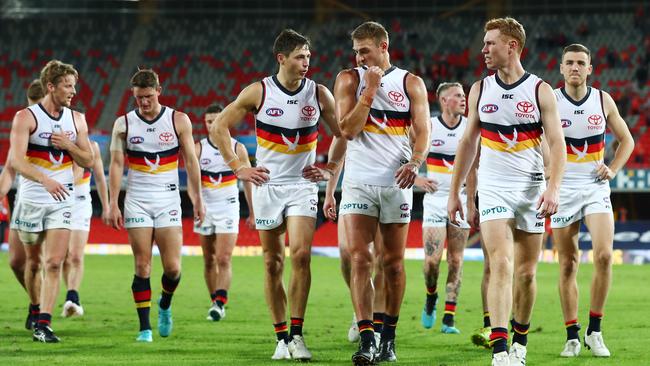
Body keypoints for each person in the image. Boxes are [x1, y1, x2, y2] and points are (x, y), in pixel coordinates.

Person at [210, 29, 346, 361]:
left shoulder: (319, 93)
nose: (306, 63)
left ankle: (298, 335)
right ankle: (280, 337)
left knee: (300, 256)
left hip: (302, 186)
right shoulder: (258, 92)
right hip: (267, 187)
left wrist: (330, 164)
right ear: (281, 58)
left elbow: (344, 133)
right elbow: (219, 128)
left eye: (309, 57)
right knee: (272, 263)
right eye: (300, 56)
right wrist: (237, 167)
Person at [448, 17, 566, 365]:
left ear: (511, 46)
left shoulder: (540, 90)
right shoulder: (480, 89)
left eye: (490, 43)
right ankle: (500, 351)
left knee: (527, 274)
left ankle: (520, 343)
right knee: (501, 263)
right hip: (494, 188)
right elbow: (468, 142)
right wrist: (457, 192)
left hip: (531, 190)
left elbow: (557, 145)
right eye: (484, 43)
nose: (483, 49)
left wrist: (553, 188)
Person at [334, 21, 430, 364]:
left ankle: (389, 336)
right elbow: (346, 129)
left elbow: (423, 132)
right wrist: (369, 90)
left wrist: (416, 162)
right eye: (356, 51)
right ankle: (367, 338)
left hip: (397, 183)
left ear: (383, 46)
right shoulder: (349, 79)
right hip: (359, 181)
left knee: (393, 263)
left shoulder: (411, 83)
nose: (359, 57)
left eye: (365, 50)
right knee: (360, 258)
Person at [108, 68, 205, 343]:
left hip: (168, 200)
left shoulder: (178, 120)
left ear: (159, 92)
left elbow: (191, 161)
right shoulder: (123, 124)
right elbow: (116, 165)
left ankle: (164, 304)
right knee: (143, 266)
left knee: (173, 268)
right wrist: (113, 203)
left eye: (149, 96)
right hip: (137, 200)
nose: (144, 102)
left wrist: (197, 199)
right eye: (139, 98)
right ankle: (144, 328)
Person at [552, 43, 634, 358]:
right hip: (562, 188)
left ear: (590, 69)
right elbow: (537, 140)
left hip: (594, 185)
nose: (574, 67)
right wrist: (548, 171)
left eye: (580, 63)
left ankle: (594, 330)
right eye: (569, 62)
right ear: (561, 68)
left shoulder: (602, 100)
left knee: (602, 256)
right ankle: (572, 335)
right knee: (568, 262)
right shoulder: (551, 100)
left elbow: (627, 139)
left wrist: (612, 168)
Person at [9, 60, 94, 342]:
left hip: (63, 199)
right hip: (32, 199)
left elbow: (88, 159)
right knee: (32, 264)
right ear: (51, 86)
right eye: (67, 86)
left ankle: (43, 325)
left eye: (74, 86)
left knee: (55, 262)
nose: (73, 91)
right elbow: (17, 161)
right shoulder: (26, 117)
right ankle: (35, 309)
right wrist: (44, 179)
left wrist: (69, 145)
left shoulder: (77, 119)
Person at [194, 103, 254, 321]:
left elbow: (248, 182)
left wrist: (252, 210)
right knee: (208, 259)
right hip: (205, 208)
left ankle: (220, 302)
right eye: (209, 121)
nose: (213, 125)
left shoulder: (237, 148)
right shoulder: (198, 148)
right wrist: (197, 202)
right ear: (205, 123)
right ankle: (214, 302)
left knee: (223, 257)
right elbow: (192, 180)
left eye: (216, 120)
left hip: (228, 207)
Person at [419, 82, 470, 335]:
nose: (463, 99)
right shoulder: (429, 126)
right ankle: (431, 296)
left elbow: (476, 166)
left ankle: (449, 317)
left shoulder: (471, 127)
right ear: (443, 100)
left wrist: (473, 200)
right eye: (458, 96)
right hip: (435, 200)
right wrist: (417, 179)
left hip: (460, 200)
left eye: (464, 95)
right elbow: (404, 155)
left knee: (456, 259)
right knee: (431, 262)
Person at [323, 167, 386, 346]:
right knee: (346, 253)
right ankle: (360, 306)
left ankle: (377, 328)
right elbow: (339, 150)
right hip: (355, 187)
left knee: (382, 260)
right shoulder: (352, 136)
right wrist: (329, 192)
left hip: (388, 186)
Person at [0, 79, 45, 330]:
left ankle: (42, 316)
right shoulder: (24, 127)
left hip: (55, 201)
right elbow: (9, 168)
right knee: (17, 262)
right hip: (26, 200)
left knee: (42, 262)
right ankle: (35, 302)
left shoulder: (63, 125)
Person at [61, 140, 109, 317]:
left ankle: (72, 296)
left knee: (75, 254)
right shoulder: (59, 144)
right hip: (60, 202)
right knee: (64, 258)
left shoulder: (92, 147)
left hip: (80, 203)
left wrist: (107, 206)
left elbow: (99, 178)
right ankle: (71, 298)